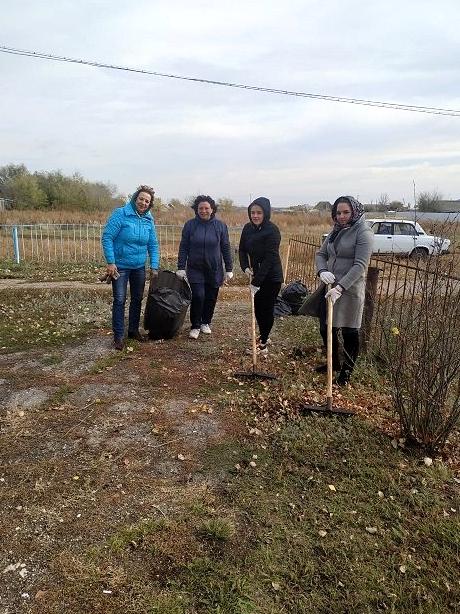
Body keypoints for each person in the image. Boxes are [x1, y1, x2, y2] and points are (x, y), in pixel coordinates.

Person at [315, 195, 373, 385]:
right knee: (326, 327)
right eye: (338, 212)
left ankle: (346, 372)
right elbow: (321, 254)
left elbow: (360, 265)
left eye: (346, 212)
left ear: (354, 212)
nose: (341, 216)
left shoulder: (363, 233)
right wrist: (322, 270)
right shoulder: (336, 230)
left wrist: (341, 287)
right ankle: (333, 362)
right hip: (330, 286)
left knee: (349, 331)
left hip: (350, 289)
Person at [102, 185, 160, 350]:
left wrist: (154, 266)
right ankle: (118, 336)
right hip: (120, 267)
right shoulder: (121, 214)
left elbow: (153, 244)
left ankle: (133, 331)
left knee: (137, 299)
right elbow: (107, 237)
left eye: (147, 201)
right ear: (135, 198)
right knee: (119, 300)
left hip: (139, 267)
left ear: (150, 204)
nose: (143, 202)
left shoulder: (149, 219)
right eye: (141, 199)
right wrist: (111, 262)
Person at [176, 195, 233, 339]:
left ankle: (205, 322)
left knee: (211, 297)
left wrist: (229, 268)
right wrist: (181, 266)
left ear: (212, 209)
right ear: (196, 209)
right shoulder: (190, 225)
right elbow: (184, 247)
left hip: (214, 269)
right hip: (195, 268)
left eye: (206, 208)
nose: (203, 211)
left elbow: (225, 247)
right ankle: (195, 325)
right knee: (198, 296)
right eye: (200, 208)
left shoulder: (220, 226)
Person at [238, 197, 283, 355]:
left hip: (271, 277)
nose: (255, 216)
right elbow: (242, 249)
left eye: (259, 212)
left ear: (266, 213)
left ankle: (263, 343)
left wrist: (256, 282)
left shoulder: (272, 231)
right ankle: (265, 335)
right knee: (257, 309)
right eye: (252, 212)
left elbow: (270, 258)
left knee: (266, 309)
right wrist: (245, 267)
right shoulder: (247, 228)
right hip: (256, 274)